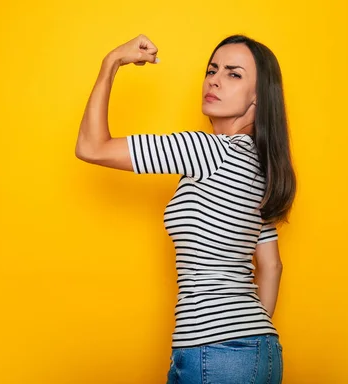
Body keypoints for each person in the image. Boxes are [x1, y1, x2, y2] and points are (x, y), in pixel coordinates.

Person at [75, 34, 296, 384]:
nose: (215, 79)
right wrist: (246, 337)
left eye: (234, 74)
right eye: (212, 70)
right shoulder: (262, 168)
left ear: (259, 96)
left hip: (214, 351)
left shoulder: (206, 150)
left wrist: (111, 62)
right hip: (256, 350)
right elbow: (271, 265)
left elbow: (91, 146)